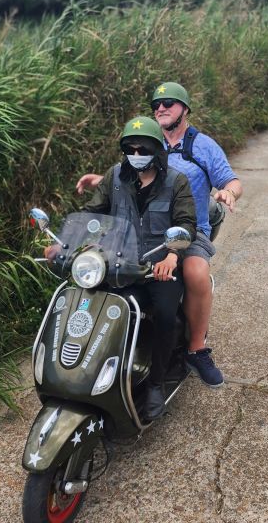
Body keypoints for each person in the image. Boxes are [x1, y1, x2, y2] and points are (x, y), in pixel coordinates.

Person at [76, 83, 243, 389]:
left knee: (194, 270)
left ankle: (196, 349)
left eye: (168, 102)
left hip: (188, 229)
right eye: (156, 105)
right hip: (144, 231)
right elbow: (132, 175)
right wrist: (103, 181)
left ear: (185, 109)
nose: (161, 108)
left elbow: (231, 180)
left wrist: (227, 193)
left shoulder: (202, 146)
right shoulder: (149, 139)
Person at [48, 116, 197, 420]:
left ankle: (156, 383)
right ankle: (85, 368)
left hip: (157, 268)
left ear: (157, 150)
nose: (137, 153)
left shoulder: (175, 181)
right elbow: (92, 213)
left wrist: (172, 256)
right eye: (131, 147)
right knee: (86, 301)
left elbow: (185, 224)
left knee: (166, 315)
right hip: (119, 262)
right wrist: (64, 245)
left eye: (143, 148)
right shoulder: (115, 176)